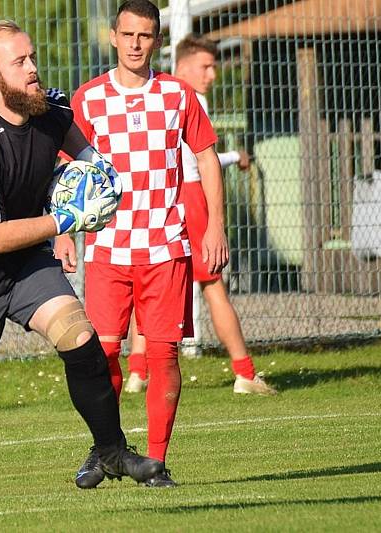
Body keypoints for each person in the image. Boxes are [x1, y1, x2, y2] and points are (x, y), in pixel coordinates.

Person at [0, 20, 164, 519]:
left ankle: (111, 450)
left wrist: (93, 172)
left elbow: (78, 144)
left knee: (80, 336)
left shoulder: (49, 105)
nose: (33, 69)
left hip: (27, 266)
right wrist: (65, 220)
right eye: (19, 62)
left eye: (32, 57)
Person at [55, 0, 223, 488]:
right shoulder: (87, 99)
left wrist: (213, 228)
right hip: (107, 250)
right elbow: (67, 170)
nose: (135, 44)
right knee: (101, 356)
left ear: (156, 40)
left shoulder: (177, 95)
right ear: (113, 36)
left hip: (165, 247)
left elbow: (208, 159)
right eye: (127, 35)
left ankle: (155, 461)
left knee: (163, 355)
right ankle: (104, 449)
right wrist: (63, 232)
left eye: (145, 36)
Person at [124, 34, 277, 396]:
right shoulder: (189, 98)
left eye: (213, 67)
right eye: (205, 66)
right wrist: (233, 158)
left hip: (153, 197)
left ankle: (136, 372)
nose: (211, 75)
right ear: (184, 64)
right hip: (188, 196)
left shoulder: (154, 93)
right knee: (213, 287)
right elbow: (197, 160)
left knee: (144, 287)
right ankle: (245, 373)